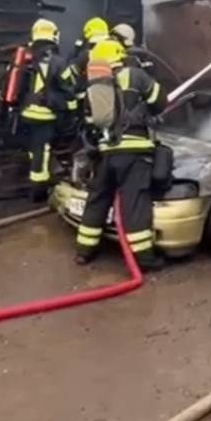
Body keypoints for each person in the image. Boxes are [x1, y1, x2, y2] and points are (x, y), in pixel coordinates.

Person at [75, 39, 167, 270]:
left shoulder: (93, 88)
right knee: (134, 203)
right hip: (134, 152)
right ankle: (144, 259)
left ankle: (84, 251)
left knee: (97, 199)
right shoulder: (135, 76)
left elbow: (89, 124)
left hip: (105, 153)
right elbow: (160, 102)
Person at [19, 18, 77, 201]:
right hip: (45, 116)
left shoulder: (26, 59)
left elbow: (20, 88)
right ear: (53, 36)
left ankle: (35, 176)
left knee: (34, 149)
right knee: (42, 153)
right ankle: (38, 192)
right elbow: (70, 89)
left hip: (26, 114)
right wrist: (72, 109)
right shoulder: (58, 62)